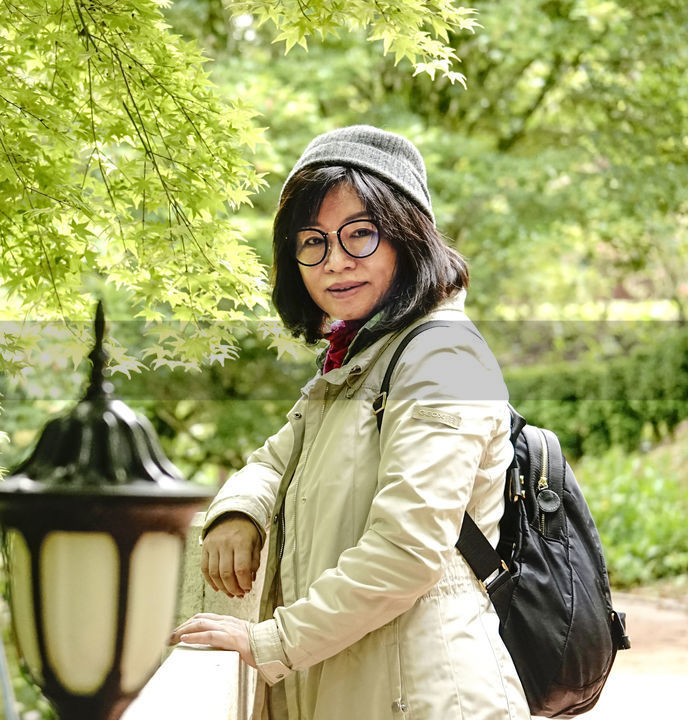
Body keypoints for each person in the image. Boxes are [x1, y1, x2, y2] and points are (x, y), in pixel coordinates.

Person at [169, 126, 530, 719]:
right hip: (356, 684)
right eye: (312, 242)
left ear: (408, 235)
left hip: (423, 695)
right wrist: (239, 513)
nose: (334, 262)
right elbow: (273, 460)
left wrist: (269, 642)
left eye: (359, 234)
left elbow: (407, 549)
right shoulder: (358, 362)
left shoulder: (442, 358)